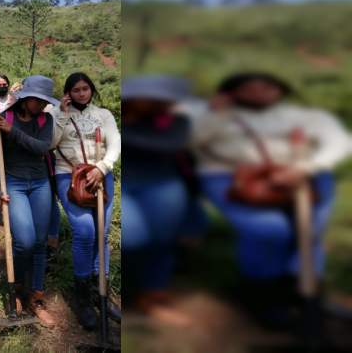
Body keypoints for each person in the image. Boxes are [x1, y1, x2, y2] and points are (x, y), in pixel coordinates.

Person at [191, 72, 350, 328]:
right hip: (232, 177)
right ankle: (263, 293)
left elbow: (340, 141)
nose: (257, 91)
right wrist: (215, 115)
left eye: (266, 86)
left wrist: (307, 167)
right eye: (248, 86)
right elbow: (190, 141)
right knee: (269, 230)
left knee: (309, 230)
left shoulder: (302, 115)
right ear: (232, 90)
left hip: (300, 174)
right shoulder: (211, 113)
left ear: (280, 89)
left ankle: (303, 290)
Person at [120, 75, 196, 327]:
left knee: (163, 241)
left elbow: (169, 146)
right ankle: (132, 287)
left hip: (163, 184)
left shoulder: (176, 122)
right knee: (133, 237)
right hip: (128, 186)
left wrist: (125, 134)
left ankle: (153, 295)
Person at [49, 72, 121, 330]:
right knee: (85, 231)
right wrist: (62, 113)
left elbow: (115, 142)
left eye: (85, 89)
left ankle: (99, 291)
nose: (81, 93)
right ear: (68, 92)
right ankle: (81, 297)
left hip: (101, 176)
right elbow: (51, 143)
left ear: (91, 90)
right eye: (76, 90)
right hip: (69, 177)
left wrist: (102, 167)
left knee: (102, 233)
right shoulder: (56, 112)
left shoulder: (104, 115)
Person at [0, 75, 59, 327]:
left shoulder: (45, 119)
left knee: (39, 244)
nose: (40, 105)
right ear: (26, 97)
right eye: (37, 100)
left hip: (40, 184)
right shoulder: (4, 117)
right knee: (24, 242)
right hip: (14, 184)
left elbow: (41, 148)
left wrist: (13, 133)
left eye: (44, 101)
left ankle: (35, 297)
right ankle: (16, 290)